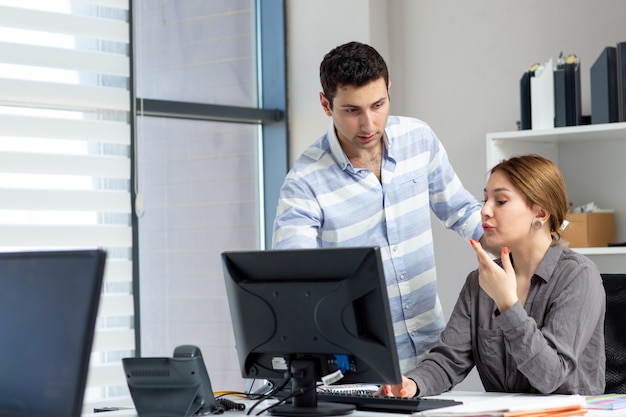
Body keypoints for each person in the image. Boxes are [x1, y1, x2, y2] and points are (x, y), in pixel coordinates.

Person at [272, 41, 490, 373]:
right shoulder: (304, 184)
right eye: (351, 110)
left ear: (389, 89)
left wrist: (522, 248)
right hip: (358, 366)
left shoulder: (418, 138)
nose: (369, 124)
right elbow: (295, 283)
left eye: (378, 105)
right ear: (325, 104)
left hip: (432, 357)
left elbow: (461, 210)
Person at [381, 154, 606, 397]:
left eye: (500, 201)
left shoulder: (578, 276)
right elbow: (448, 361)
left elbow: (550, 377)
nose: (484, 211)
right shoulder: (479, 282)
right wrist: (411, 385)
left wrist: (507, 305)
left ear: (540, 213)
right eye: (485, 199)